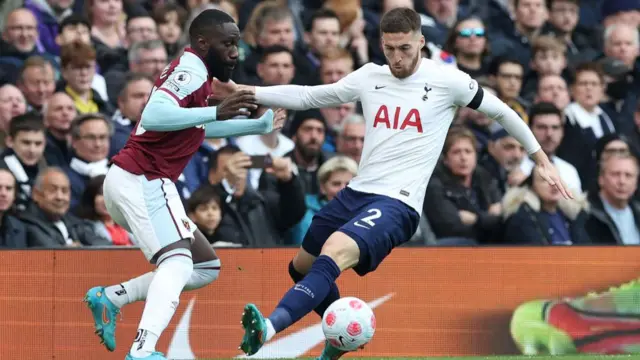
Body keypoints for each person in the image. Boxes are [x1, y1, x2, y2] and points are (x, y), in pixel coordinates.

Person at [211, 7, 572, 360]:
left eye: (405, 48)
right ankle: (342, 337)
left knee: (333, 251)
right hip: (357, 192)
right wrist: (246, 91)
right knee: (301, 266)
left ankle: (267, 330)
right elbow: (309, 96)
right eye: (389, 49)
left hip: (397, 204)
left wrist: (539, 157)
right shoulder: (371, 76)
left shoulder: (449, 80)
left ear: (421, 42)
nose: (397, 58)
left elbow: (503, 112)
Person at [81, 9, 284, 360]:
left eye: (237, 45)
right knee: (176, 263)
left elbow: (194, 127)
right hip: (143, 179)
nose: (235, 52)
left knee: (204, 267)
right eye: (228, 44)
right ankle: (143, 349)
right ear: (203, 43)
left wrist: (257, 127)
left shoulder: (196, 72)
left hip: (135, 181)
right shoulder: (190, 71)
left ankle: (111, 297)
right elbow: (154, 116)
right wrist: (215, 111)